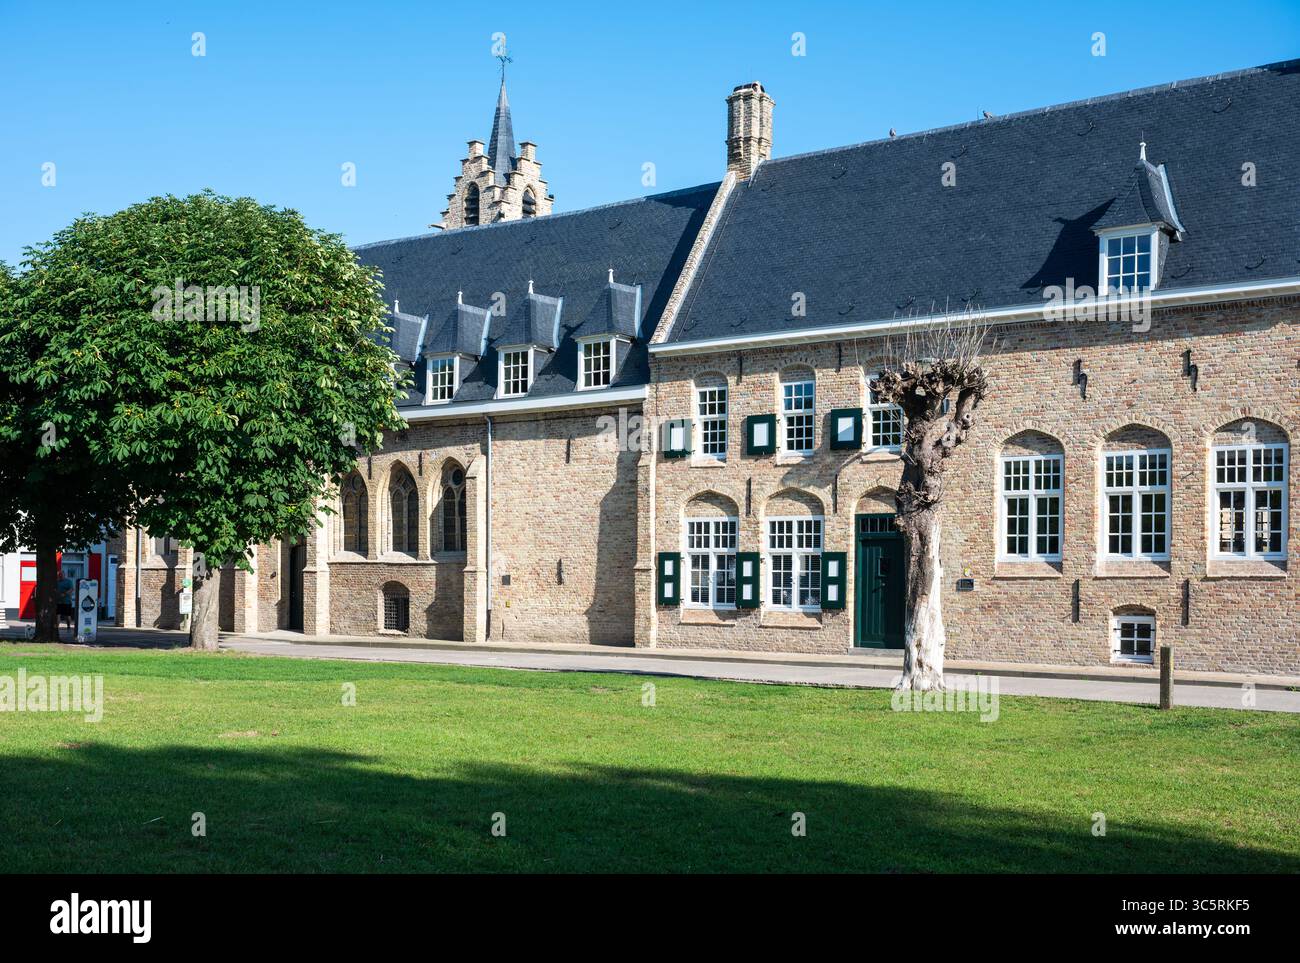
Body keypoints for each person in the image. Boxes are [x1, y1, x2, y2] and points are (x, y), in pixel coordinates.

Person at [55, 569, 75, 635]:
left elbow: (72, 589)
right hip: (58, 601)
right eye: (59, 575)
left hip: (67, 601)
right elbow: (54, 589)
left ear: (64, 575)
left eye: (61, 575)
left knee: (67, 616)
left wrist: (65, 594)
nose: (60, 576)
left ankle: (68, 626)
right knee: (58, 615)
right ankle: (56, 628)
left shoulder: (68, 581)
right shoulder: (57, 582)